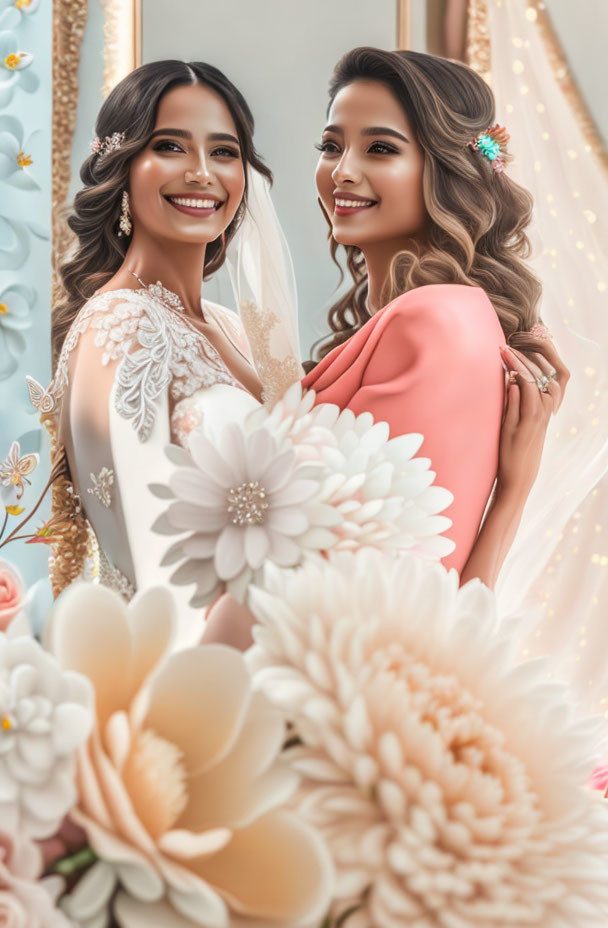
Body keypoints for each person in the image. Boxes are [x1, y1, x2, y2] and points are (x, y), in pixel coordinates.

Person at [302, 47, 569, 589]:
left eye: (380, 148)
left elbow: (382, 592)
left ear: (444, 171)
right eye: (331, 146)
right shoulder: (442, 315)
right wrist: (512, 495)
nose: (342, 172)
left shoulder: (431, 321)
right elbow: (446, 600)